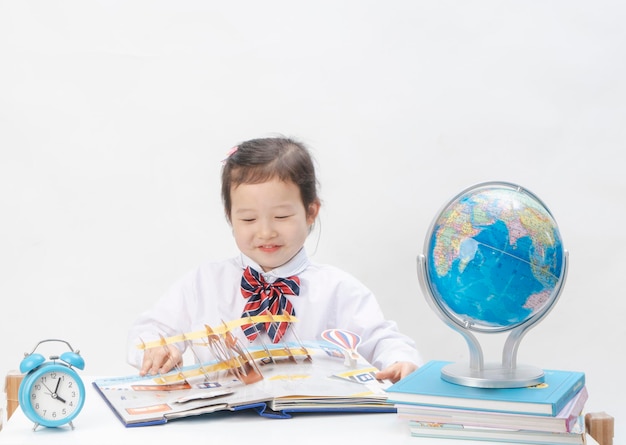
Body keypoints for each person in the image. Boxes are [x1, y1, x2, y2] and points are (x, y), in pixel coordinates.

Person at [127, 136, 422, 383]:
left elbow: (382, 338)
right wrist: (155, 350)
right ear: (230, 217)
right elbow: (149, 331)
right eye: (249, 218)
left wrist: (400, 360)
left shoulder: (339, 289)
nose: (265, 232)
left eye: (281, 216)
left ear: (311, 212)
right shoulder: (203, 283)